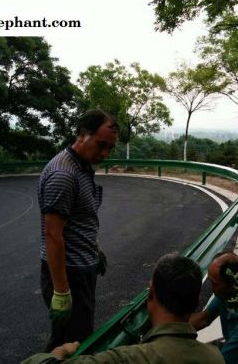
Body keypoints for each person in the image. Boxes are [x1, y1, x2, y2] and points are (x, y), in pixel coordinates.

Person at [23, 254, 225, 364]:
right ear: (197, 301)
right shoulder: (215, 357)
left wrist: (57, 353)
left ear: (151, 294)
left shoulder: (128, 358)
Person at [38, 110, 119, 351]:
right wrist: (62, 292)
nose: (104, 153)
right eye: (100, 145)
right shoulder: (64, 174)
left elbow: (78, 220)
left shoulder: (81, 167)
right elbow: (53, 234)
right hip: (69, 273)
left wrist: (93, 248)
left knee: (73, 339)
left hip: (81, 267)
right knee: (74, 346)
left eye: (110, 148)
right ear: (83, 134)